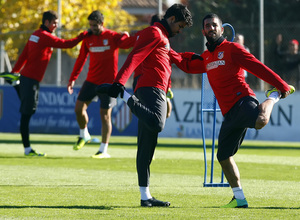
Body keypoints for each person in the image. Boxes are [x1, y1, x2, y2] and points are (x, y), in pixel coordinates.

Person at [171, 13, 295, 208]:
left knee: (260, 121)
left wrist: (281, 85)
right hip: (229, 114)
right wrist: (165, 51)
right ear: (203, 31)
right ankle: (239, 198)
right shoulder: (206, 57)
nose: (211, 28)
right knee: (223, 156)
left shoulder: (232, 49)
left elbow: (257, 67)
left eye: (214, 25)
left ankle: (273, 96)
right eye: (207, 26)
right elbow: (186, 65)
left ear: (222, 29)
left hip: (242, 100)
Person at [96, 4, 193, 207]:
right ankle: (125, 96)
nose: (180, 30)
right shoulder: (155, 32)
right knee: (157, 124)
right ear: (172, 19)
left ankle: (145, 196)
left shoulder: (163, 38)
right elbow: (135, 56)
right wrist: (119, 83)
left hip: (152, 89)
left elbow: (178, 61)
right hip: (150, 88)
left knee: (147, 148)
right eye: (181, 26)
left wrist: (205, 62)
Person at [0, 10, 90, 156]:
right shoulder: (45, 36)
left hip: (25, 78)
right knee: (27, 113)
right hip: (30, 80)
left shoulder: (35, 34)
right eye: (54, 22)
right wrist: (83, 35)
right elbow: (68, 45)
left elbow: (24, 55)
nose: (56, 25)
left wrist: (15, 71)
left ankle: (14, 81)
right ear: (46, 22)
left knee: (28, 110)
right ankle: (27, 149)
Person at [67, 10, 135, 159]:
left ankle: (103, 149)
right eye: (90, 25)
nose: (92, 28)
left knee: (105, 116)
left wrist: (125, 35)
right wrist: (73, 78)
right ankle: (84, 134)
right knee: (79, 109)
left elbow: (126, 44)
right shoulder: (88, 39)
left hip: (109, 83)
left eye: (95, 25)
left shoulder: (112, 37)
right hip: (91, 81)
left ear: (102, 24)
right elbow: (81, 59)